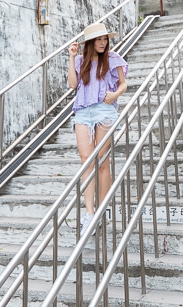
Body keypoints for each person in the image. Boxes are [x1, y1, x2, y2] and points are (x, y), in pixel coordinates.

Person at [67, 22, 128, 233]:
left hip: (104, 110)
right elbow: (73, 85)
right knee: (86, 161)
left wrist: (115, 95)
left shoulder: (112, 59)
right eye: (99, 40)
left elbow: (123, 83)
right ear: (90, 42)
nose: (103, 43)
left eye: (105, 39)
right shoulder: (81, 61)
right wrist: (72, 57)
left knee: (102, 161)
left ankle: (102, 209)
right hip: (83, 111)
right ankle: (89, 214)